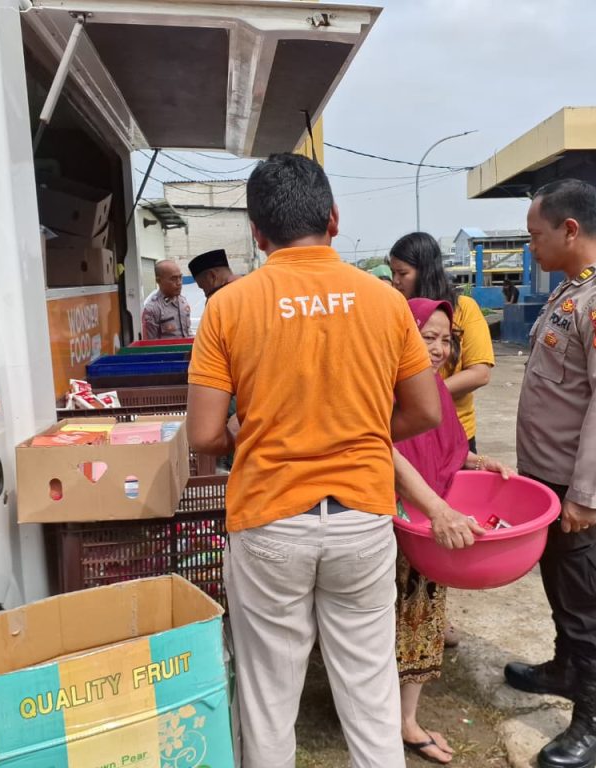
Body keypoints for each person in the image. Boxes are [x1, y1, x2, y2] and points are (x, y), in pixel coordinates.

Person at [186, 152, 441, 768]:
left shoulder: (229, 306)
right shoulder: (384, 301)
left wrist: (257, 436)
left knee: (269, 699)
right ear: (333, 218)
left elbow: (204, 434)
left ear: (257, 232)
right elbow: (426, 411)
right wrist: (354, 429)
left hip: (270, 520)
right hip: (362, 519)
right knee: (371, 694)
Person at [506, 179, 596, 768]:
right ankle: (567, 669)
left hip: (581, 487)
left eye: (535, 235)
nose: (530, 246)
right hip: (551, 480)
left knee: (589, 598)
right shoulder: (572, 290)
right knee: (561, 584)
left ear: (569, 229)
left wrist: (587, 495)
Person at [392, 297, 513, 765]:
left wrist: (480, 462)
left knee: (422, 616)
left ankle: (406, 720)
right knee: (383, 623)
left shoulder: (434, 390)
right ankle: (378, 716)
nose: (439, 349)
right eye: (428, 337)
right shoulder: (384, 385)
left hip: (429, 527)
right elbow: (385, 452)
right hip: (392, 524)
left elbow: (446, 450)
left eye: (446, 340)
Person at [389, 232, 494, 453]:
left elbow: (480, 373)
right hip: (409, 435)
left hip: (456, 434)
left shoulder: (464, 309)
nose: (396, 281)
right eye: (393, 273)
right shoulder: (397, 311)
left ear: (425, 272)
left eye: (402, 273)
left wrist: (424, 395)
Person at [141, 259, 191, 339]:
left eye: (180, 277)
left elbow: (188, 332)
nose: (179, 283)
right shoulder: (153, 309)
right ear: (158, 281)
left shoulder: (183, 301)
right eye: (173, 279)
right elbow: (150, 343)